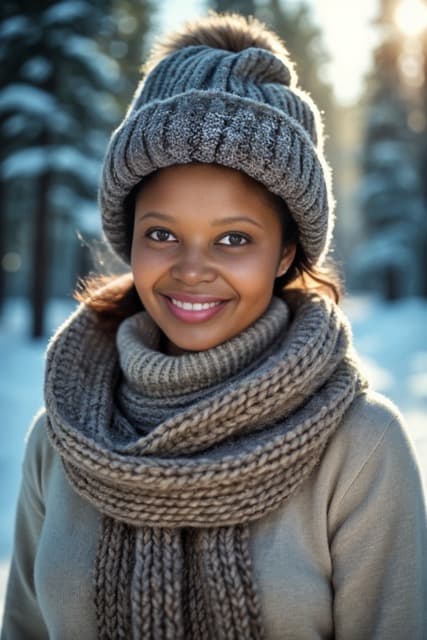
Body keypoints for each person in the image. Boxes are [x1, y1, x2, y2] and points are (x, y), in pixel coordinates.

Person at [2, 12, 426, 640]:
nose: (190, 269)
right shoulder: (63, 435)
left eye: (233, 238)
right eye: (162, 234)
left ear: (286, 253)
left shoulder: (360, 450)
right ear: (130, 240)